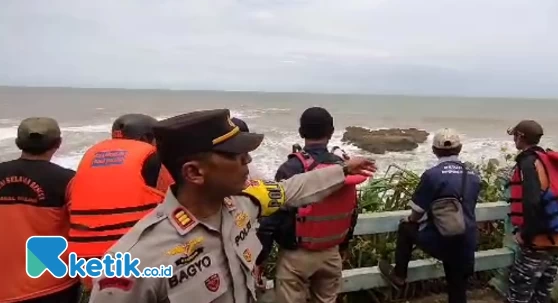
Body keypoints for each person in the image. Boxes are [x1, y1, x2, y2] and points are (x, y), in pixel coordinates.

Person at [87, 108, 376, 303]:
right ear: (194, 172)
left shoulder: (243, 205)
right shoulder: (132, 262)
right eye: (234, 155)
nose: (247, 161)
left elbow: (291, 190)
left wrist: (343, 169)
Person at [256, 106, 361, 303]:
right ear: (331, 132)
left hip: (296, 256)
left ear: (301, 132)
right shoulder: (344, 168)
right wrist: (344, 246)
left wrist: (260, 258)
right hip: (331, 253)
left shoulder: (291, 168)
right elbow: (352, 211)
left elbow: (272, 218)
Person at [378, 128, 481, 303]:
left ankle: (399, 275)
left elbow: (417, 212)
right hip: (466, 241)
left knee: (406, 228)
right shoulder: (473, 176)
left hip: (440, 240)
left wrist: (411, 221)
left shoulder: (432, 175)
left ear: (434, 150)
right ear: (460, 148)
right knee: (458, 291)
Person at [67, 114, 175, 263]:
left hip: (82, 259)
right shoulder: (151, 156)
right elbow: (178, 196)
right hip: (133, 255)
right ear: (145, 138)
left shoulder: (90, 155)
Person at [0, 117, 80, 303]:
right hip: (51, 285)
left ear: (18, 142)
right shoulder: (69, 180)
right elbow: (83, 228)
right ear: (58, 143)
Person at [505, 120, 558, 303]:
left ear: (521, 137)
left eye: (515, 135)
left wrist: (527, 236)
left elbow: (531, 202)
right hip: (557, 237)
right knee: (541, 294)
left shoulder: (529, 163)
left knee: (519, 293)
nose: (514, 139)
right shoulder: (548, 160)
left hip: (537, 241)